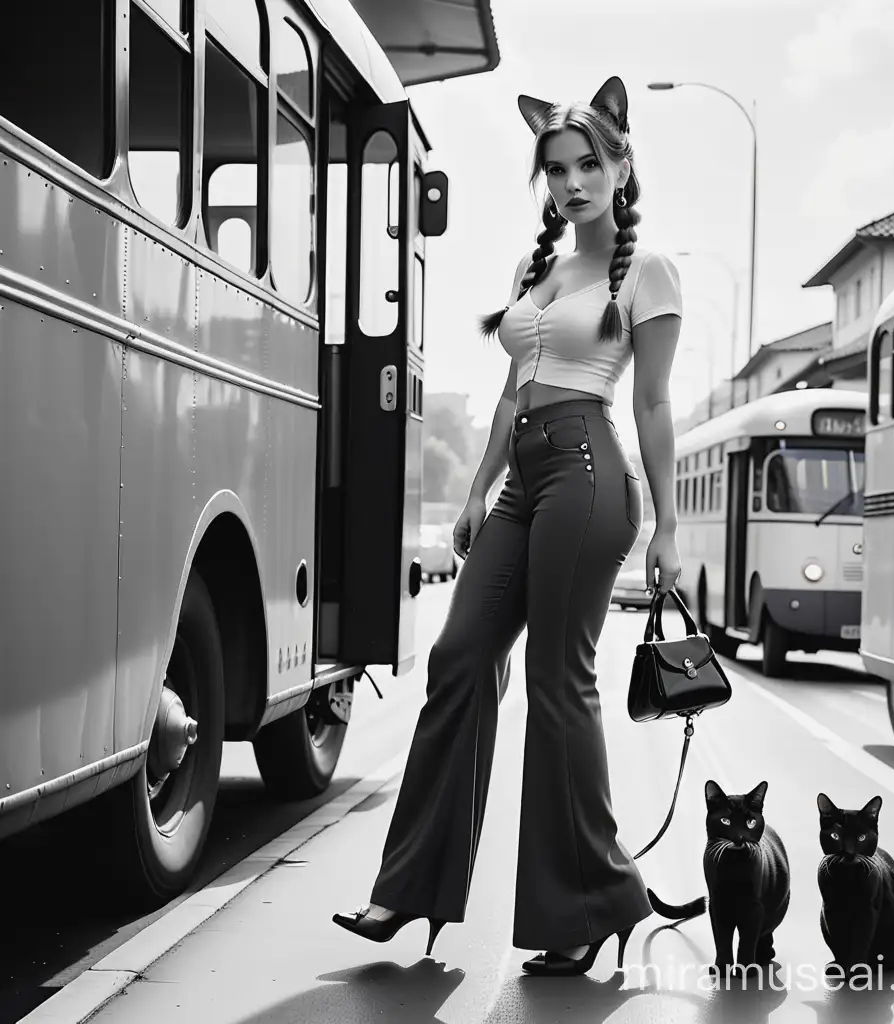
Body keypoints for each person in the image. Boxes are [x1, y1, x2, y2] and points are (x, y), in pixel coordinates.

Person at [333, 75, 683, 978]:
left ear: (621, 165)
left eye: (588, 165)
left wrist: (670, 524)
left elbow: (650, 401)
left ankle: (591, 901)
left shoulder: (646, 272)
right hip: (525, 478)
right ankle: (410, 891)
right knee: (458, 660)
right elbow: (507, 393)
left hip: (588, 473)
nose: (571, 183)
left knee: (556, 682)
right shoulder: (539, 272)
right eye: (557, 168)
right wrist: (478, 488)